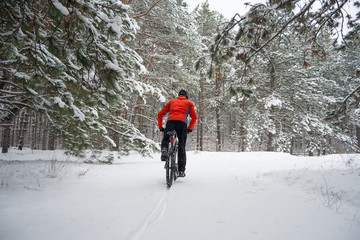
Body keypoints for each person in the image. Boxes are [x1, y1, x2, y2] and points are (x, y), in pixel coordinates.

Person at [157, 90, 197, 177]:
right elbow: (194, 117)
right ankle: (181, 171)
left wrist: (160, 126)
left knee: (166, 139)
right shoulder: (189, 103)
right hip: (182, 124)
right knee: (181, 147)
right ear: (186, 96)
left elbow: (160, 114)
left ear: (178, 95)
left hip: (170, 123)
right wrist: (189, 128)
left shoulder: (172, 102)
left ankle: (164, 149)